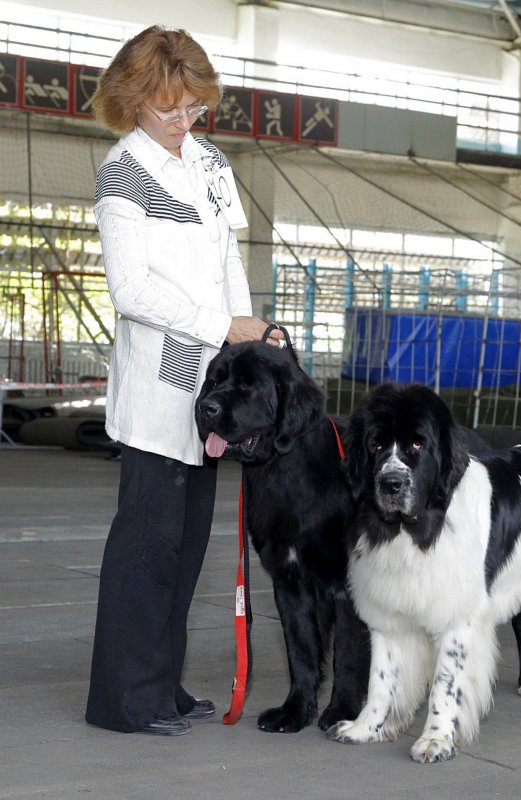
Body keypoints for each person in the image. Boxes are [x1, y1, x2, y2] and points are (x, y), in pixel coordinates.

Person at [85, 25, 282, 736]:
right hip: (160, 386)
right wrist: (219, 325)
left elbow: (226, 255)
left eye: (194, 107)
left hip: (212, 387)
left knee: (186, 546)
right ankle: (125, 701)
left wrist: (248, 327)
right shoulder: (123, 173)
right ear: (132, 100)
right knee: (146, 548)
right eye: (169, 109)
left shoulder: (207, 161)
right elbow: (131, 289)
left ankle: (162, 689)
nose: (183, 121)